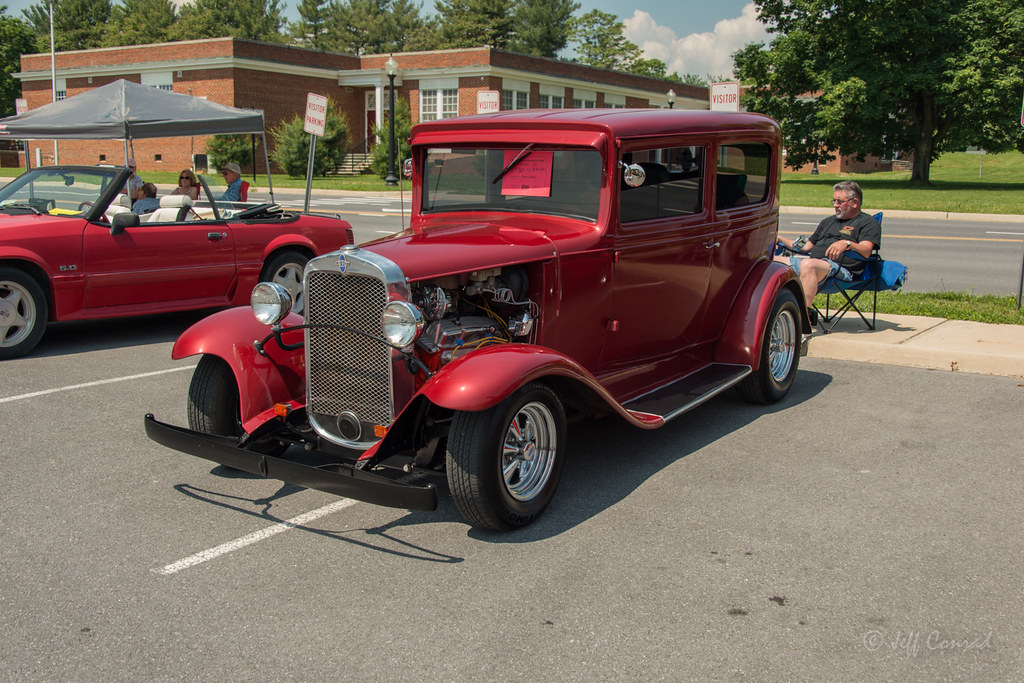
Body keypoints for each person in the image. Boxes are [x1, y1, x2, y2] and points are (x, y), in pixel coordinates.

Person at [775, 180, 881, 325]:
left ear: (854, 202)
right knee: (767, 261)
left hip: (841, 270)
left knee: (809, 265)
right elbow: (806, 246)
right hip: (813, 264)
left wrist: (847, 243)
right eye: (834, 201)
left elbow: (867, 250)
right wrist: (779, 238)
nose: (835, 205)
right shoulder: (827, 221)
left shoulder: (868, 222)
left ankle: (803, 321)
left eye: (839, 201)